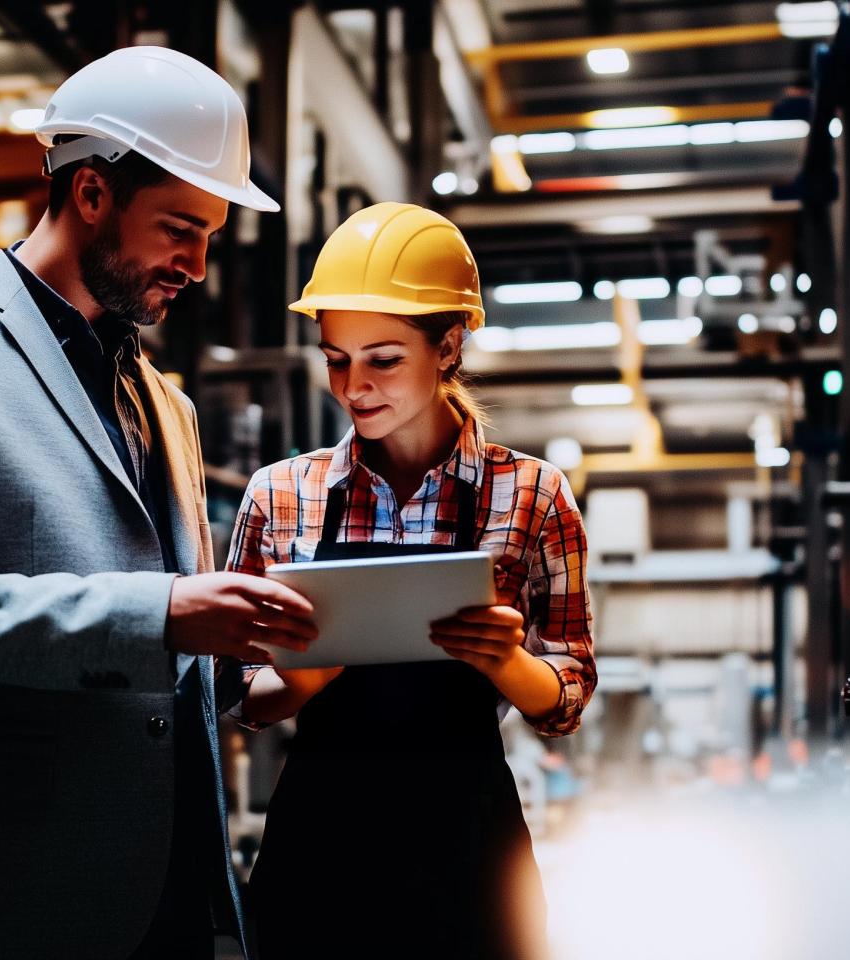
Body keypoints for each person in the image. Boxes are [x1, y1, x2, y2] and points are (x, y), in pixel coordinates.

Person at [0, 46, 318, 960]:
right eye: (179, 227)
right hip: (8, 899)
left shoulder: (165, 404)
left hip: (175, 904)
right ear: (91, 192)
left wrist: (311, 653)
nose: (198, 265)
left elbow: (177, 676)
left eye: (209, 235)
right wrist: (163, 612)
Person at [225, 203, 597, 960]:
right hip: (320, 854)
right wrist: (305, 677)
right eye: (336, 358)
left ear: (450, 344)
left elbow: (567, 697)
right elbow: (228, 690)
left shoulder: (531, 495)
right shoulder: (280, 495)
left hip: (467, 855)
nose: (354, 386)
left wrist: (505, 662)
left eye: (383, 358)